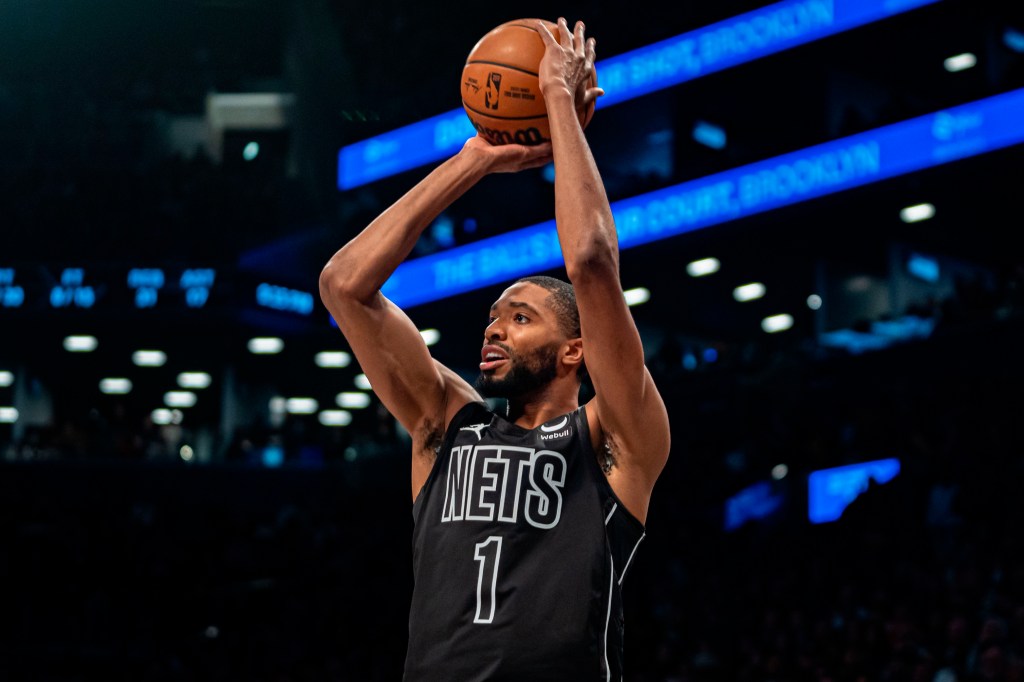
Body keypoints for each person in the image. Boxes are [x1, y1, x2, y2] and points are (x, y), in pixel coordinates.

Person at [319, 18, 671, 681]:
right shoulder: (446, 423)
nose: (493, 331)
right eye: (491, 318)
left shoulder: (614, 437)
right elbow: (344, 286)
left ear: (575, 351)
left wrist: (558, 100)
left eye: (519, 317)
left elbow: (592, 260)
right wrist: (473, 159)